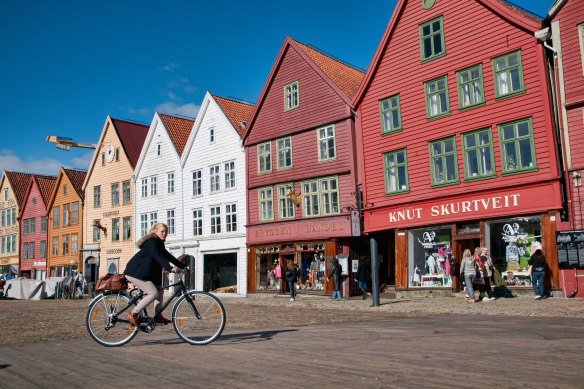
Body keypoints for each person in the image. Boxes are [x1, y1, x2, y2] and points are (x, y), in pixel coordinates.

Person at [124, 223, 187, 326]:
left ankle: (158, 316)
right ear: (155, 231)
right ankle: (133, 313)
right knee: (153, 293)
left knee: (159, 290)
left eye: (166, 231)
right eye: (162, 231)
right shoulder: (152, 242)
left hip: (146, 274)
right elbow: (157, 256)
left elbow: (168, 257)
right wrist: (170, 268)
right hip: (135, 273)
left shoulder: (159, 244)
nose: (165, 233)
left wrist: (183, 266)